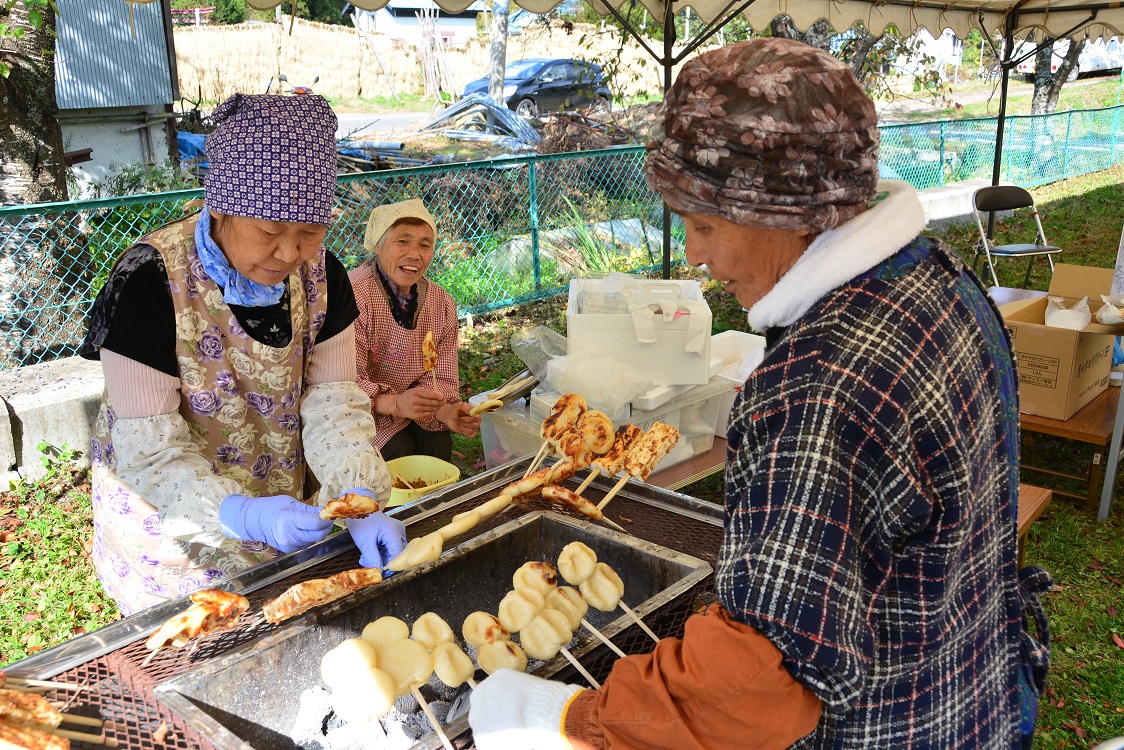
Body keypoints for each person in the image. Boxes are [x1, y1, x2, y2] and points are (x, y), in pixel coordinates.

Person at [468, 38, 1051, 749]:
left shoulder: (821, 381)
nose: (695, 255)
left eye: (706, 224)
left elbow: (758, 684)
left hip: (884, 729)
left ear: (793, 215)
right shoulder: (943, 278)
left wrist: (564, 718)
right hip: (969, 694)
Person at [79, 94, 406, 616]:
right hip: (177, 527)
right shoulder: (150, 279)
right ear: (222, 205)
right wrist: (241, 515)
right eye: (270, 231)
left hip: (285, 513)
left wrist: (359, 493)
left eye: (310, 232)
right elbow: (150, 451)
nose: (290, 254)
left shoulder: (324, 276)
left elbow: (334, 405)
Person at [350, 198, 480, 462]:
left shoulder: (440, 302)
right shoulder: (354, 296)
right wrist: (397, 403)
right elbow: (342, 386)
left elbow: (440, 375)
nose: (414, 254)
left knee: (437, 444)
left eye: (424, 244)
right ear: (378, 244)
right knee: (399, 450)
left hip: (412, 410)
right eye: (402, 241)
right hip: (361, 413)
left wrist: (446, 410)